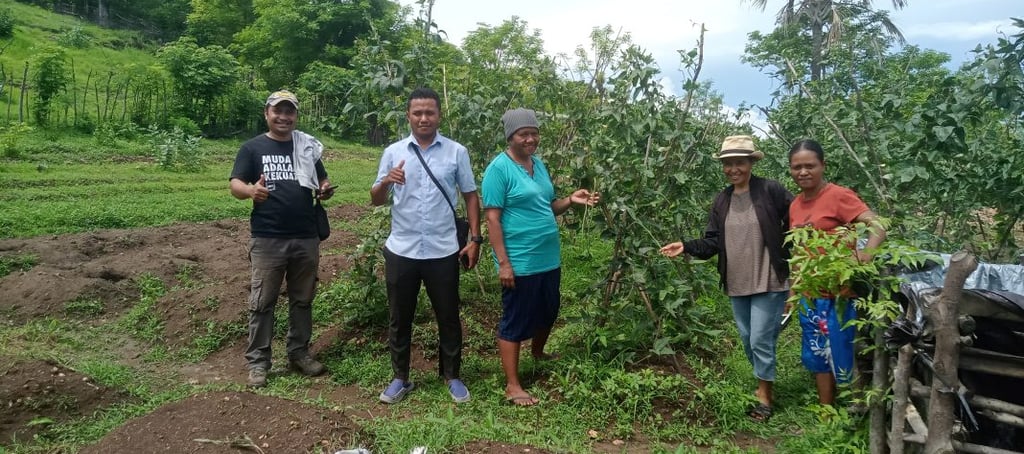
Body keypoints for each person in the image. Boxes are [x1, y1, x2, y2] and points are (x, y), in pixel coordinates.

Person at [659, 135, 793, 421]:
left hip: (769, 278)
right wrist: (686, 246)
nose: (733, 169)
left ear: (751, 163)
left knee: (759, 339)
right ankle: (763, 380)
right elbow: (713, 242)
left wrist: (796, 261)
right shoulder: (723, 200)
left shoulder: (770, 190)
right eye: (728, 164)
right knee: (747, 339)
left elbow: (797, 220)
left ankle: (764, 397)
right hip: (737, 281)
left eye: (739, 163)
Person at [481, 108, 599, 406]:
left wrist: (570, 200)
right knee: (516, 318)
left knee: (548, 309)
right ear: (510, 137)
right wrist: (504, 263)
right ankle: (513, 385)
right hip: (520, 259)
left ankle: (537, 353)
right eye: (524, 134)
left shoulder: (538, 164)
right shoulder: (499, 169)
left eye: (534, 133)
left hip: (548, 257)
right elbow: (492, 219)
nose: (530, 139)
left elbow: (548, 206)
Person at [370, 87, 481, 404]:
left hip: (443, 250)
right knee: (399, 316)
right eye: (417, 113)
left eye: (429, 112)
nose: (423, 118)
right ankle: (400, 377)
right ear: (408, 115)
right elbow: (376, 199)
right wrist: (386, 181)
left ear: (439, 115)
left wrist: (475, 239)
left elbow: (470, 195)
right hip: (401, 250)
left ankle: (452, 376)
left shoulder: (456, 152)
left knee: (448, 315)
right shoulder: (393, 152)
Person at [229, 90, 333, 388]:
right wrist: (251, 191)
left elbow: (322, 179)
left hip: (306, 236)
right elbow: (235, 184)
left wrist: (324, 188)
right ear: (267, 114)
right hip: (268, 238)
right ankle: (258, 362)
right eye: (278, 111)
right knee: (263, 301)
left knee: (303, 299)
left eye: (290, 112)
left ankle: (299, 353)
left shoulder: (305, 147)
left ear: (296, 116)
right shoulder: (252, 148)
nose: (284, 117)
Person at [787, 138, 887, 405]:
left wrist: (865, 256)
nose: (803, 172)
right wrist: (794, 290)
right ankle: (826, 408)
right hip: (810, 294)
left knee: (843, 350)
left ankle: (854, 408)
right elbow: (799, 250)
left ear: (823, 165)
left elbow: (877, 225)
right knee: (817, 352)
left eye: (810, 166)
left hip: (840, 294)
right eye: (797, 167)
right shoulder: (795, 205)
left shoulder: (838, 196)